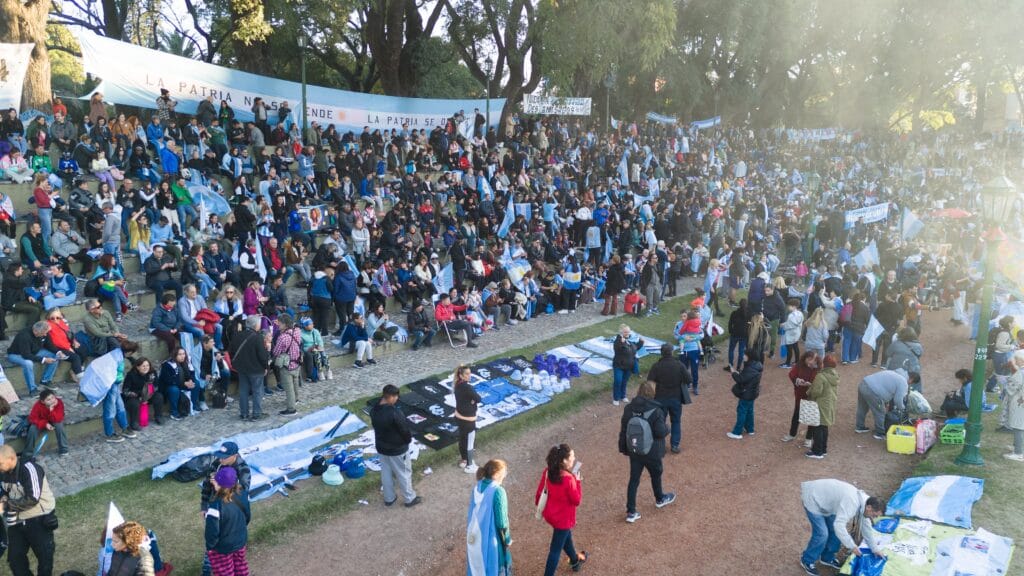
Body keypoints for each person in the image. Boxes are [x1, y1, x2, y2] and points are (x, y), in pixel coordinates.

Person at [799, 478, 885, 575]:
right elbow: (839, 525)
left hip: (827, 502)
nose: (873, 518)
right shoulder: (852, 503)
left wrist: (875, 549)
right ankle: (807, 560)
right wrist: (852, 546)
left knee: (835, 532)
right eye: (874, 515)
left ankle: (827, 558)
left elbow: (866, 529)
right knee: (822, 534)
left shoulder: (866, 503)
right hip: (813, 497)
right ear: (869, 508)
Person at [618, 380, 675, 523]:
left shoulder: (628, 408)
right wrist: (668, 428)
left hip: (634, 449)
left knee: (634, 479)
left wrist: (623, 448)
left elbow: (624, 430)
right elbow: (660, 432)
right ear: (652, 393)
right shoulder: (656, 410)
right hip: (652, 451)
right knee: (656, 474)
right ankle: (660, 498)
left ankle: (631, 511)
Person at [0, 444, 57, 576]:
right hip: (17, 520)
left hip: (39, 517)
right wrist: (3, 497)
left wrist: (5, 506)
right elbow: (3, 490)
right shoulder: (3, 472)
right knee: (15, 560)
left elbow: (32, 498)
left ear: (12, 458)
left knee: (45, 559)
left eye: (0, 463)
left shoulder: (30, 469)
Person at [535, 444, 587, 576]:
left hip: (551, 515)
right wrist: (578, 482)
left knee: (565, 538)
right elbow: (576, 500)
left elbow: (540, 492)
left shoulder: (548, 472)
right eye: (572, 457)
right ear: (564, 460)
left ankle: (575, 562)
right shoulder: (569, 479)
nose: (574, 459)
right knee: (555, 550)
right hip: (563, 519)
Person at [370, 384, 422, 507]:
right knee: (404, 473)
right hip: (397, 449)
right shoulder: (394, 412)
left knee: (386, 473)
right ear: (392, 397)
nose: (397, 399)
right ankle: (409, 498)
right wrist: (407, 440)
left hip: (382, 447)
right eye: (396, 397)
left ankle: (389, 498)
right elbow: (404, 430)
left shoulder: (374, 409)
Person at [467, 459, 513, 576]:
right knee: (495, 566)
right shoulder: (498, 491)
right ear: (496, 474)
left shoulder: (477, 487)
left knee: (477, 567)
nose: (504, 476)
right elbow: (502, 523)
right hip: (491, 539)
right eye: (504, 473)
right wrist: (507, 540)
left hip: (475, 537)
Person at [204, 466, 252, 576]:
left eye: (215, 481)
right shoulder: (244, 494)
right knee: (240, 565)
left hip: (222, 548)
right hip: (240, 541)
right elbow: (248, 517)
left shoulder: (215, 505)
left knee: (225, 571)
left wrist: (210, 547)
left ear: (219, 485)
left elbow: (212, 532)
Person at [647, 342, 692, 453]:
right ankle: (675, 445)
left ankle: (660, 446)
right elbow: (689, 380)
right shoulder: (679, 365)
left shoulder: (656, 366)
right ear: (672, 352)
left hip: (659, 399)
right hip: (675, 398)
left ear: (661, 353)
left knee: (660, 423)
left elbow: (649, 382)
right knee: (676, 421)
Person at [229, 316, 270, 421]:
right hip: (256, 369)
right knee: (257, 391)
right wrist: (266, 366)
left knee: (243, 391)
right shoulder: (257, 337)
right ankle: (256, 414)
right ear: (256, 325)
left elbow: (231, 352)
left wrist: (235, 365)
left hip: (242, 369)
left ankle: (244, 413)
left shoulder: (237, 336)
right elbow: (262, 356)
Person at [854, 368, 909, 439]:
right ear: (911, 380)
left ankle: (859, 427)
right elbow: (897, 400)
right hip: (873, 392)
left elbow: (884, 387)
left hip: (863, 383)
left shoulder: (891, 372)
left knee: (862, 408)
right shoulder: (903, 381)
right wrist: (902, 408)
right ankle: (879, 433)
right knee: (880, 412)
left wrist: (886, 403)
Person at [7, 322, 58, 395]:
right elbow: (26, 355)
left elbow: (50, 345)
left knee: (54, 355)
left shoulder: (43, 332)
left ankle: (45, 381)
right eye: (43, 333)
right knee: (28, 363)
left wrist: (58, 352)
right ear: (36, 331)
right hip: (17, 354)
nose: (45, 335)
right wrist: (44, 359)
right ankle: (32, 390)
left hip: (34, 351)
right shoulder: (24, 336)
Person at [804, 354, 840, 459]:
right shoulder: (835, 375)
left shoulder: (821, 376)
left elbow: (816, 392)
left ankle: (817, 451)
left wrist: (810, 389)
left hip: (820, 404)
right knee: (824, 427)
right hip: (829, 403)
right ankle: (823, 449)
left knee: (818, 427)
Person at [784, 351, 820, 445]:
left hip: (812, 397)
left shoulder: (819, 369)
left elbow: (820, 384)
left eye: (812, 361)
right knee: (796, 415)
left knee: (811, 417)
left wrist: (811, 385)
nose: (809, 363)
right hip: (800, 395)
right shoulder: (800, 365)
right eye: (808, 360)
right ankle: (792, 434)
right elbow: (792, 374)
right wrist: (797, 380)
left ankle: (808, 438)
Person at [726, 350, 762, 439]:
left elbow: (740, 379)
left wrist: (733, 372)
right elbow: (746, 377)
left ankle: (737, 432)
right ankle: (750, 429)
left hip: (746, 394)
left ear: (750, 356)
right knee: (749, 411)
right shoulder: (756, 365)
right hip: (752, 393)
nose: (743, 357)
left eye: (745, 355)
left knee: (741, 411)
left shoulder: (750, 368)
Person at [270, 314, 302, 415]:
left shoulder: (282, 337)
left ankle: (291, 409)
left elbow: (276, 352)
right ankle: (296, 399)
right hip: (297, 362)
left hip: (287, 365)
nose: (278, 325)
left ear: (284, 324)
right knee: (295, 381)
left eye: (279, 323)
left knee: (289, 388)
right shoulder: (297, 331)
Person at [23, 389, 69, 456]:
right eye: (48, 399)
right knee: (32, 429)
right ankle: (28, 453)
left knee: (59, 426)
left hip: (54, 419)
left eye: (53, 397)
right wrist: (45, 424)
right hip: (42, 420)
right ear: (42, 401)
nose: (52, 400)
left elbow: (58, 419)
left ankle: (63, 449)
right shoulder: (38, 405)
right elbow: (32, 418)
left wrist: (52, 410)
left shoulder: (59, 402)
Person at [454, 365, 482, 474]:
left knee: (462, 438)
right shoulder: (467, 387)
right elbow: (478, 399)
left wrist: (472, 400)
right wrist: (473, 401)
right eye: (467, 374)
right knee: (469, 442)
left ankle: (464, 460)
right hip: (468, 419)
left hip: (460, 416)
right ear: (461, 375)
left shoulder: (457, 385)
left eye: (470, 373)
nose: (469, 376)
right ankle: (470, 465)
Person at [124, 357, 164, 428]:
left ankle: (158, 416)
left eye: (147, 365)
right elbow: (125, 390)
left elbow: (156, 385)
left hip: (149, 395)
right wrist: (140, 396)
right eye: (143, 366)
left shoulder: (152, 373)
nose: (146, 368)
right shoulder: (131, 375)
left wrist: (147, 395)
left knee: (159, 396)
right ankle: (134, 422)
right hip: (135, 396)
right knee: (133, 403)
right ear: (137, 367)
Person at [611, 324, 643, 406]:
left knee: (624, 381)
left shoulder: (631, 340)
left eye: (628, 332)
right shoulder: (618, 341)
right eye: (625, 332)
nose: (627, 333)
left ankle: (623, 395)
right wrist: (621, 343)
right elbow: (617, 348)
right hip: (619, 365)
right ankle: (616, 398)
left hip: (629, 366)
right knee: (618, 381)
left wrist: (641, 342)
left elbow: (635, 349)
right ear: (621, 332)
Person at [1001, 351, 1024, 462]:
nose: (1015, 360)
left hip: (1020, 402)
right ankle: (1017, 447)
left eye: (1017, 359)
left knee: (1018, 426)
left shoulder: (1021, 372)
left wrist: (1006, 385)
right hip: (1021, 401)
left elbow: (1013, 386)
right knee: (1019, 425)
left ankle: (1019, 452)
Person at [675, 310, 703, 394]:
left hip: (694, 351)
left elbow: (701, 334)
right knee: (684, 370)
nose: (683, 318)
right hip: (684, 351)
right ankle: (686, 385)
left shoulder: (694, 324)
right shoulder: (678, 325)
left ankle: (695, 386)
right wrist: (683, 337)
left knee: (694, 370)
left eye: (685, 316)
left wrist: (694, 338)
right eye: (682, 316)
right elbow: (676, 335)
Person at [780, 298, 805, 368]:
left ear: (794, 306)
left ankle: (787, 363)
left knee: (789, 349)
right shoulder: (800, 313)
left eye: (789, 306)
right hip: (797, 333)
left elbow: (789, 325)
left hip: (790, 335)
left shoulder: (791, 316)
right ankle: (797, 361)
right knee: (796, 347)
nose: (788, 307)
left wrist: (783, 325)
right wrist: (786, 324)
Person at [725, 299, 748, 371]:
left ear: (739, 304)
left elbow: (730, 323)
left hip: (734, 334)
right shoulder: (748, 314)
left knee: (731, 350)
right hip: (744, 335)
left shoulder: (734, 313)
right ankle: (738, 368)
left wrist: (730, 331)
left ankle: (730, 366)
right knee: (741, 351)